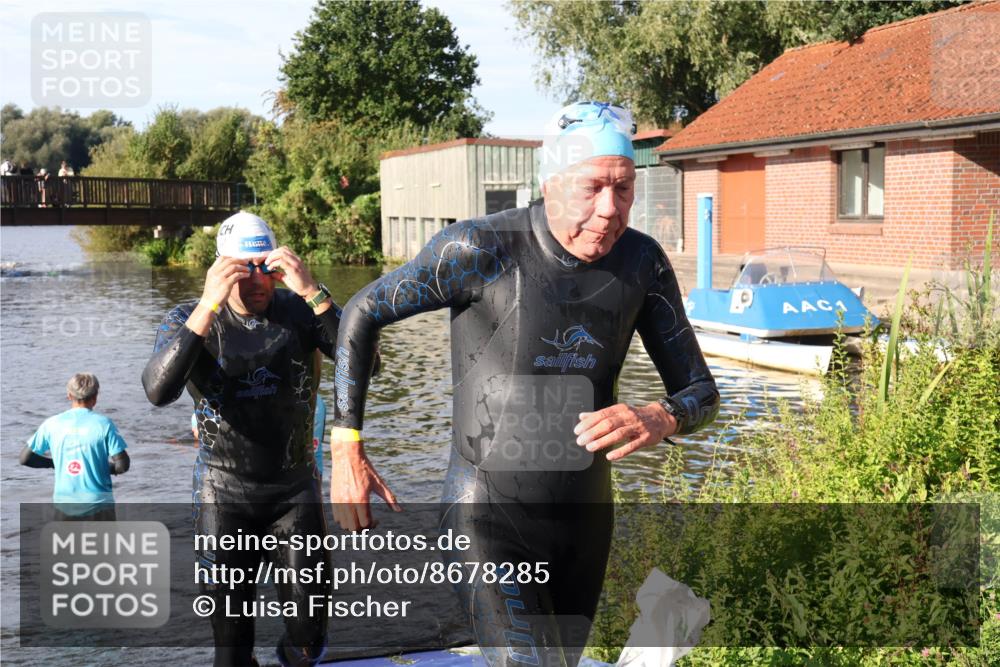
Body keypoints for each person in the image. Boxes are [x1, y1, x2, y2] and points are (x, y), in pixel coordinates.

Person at [328, 102, 720, 666]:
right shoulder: (481, 250)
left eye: (625, 189)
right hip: (485, 513)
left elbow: (701, 391)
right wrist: (347, 447)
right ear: (550, 184)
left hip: (584, 520)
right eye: (592, 189)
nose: (611, 210)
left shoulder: (643, 263)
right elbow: (362, 312)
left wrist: (661, 416)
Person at [142, 211, 343, 667]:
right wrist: (207, 305)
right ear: (220, 268)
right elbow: (158, 390)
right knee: (230, 653)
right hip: (223, 495)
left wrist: (313, 290)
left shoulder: (299, 310)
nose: (256, 281)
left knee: (310, 640)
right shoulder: (188, 318)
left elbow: (364, 365)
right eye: (241, 269)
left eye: (265, 268)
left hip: (294, 490)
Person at [19, 373, 130, 521]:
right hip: (99, 505)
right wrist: (103, 467)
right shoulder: (104, 424)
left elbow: (25, 458)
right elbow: (122, 465)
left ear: (69, 396)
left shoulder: (51, 424)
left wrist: (54, 464)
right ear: (95, 397)